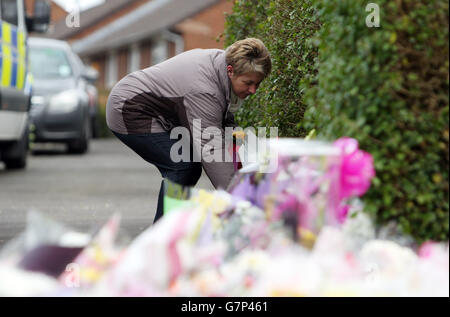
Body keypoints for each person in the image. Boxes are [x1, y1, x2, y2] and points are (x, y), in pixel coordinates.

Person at [106, 38, 272, 223]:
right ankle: (163, 237)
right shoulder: (204, 89)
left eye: (258, 84)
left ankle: (170, 231)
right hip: (130, 109)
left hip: (157, 110)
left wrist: (251, 156)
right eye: (248, 83)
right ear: (231, 71)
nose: (253, 90)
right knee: (182, 165)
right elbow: (211, 149)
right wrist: (239, 203)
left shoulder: (220, 66)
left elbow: (223, 123)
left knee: (188, 166)